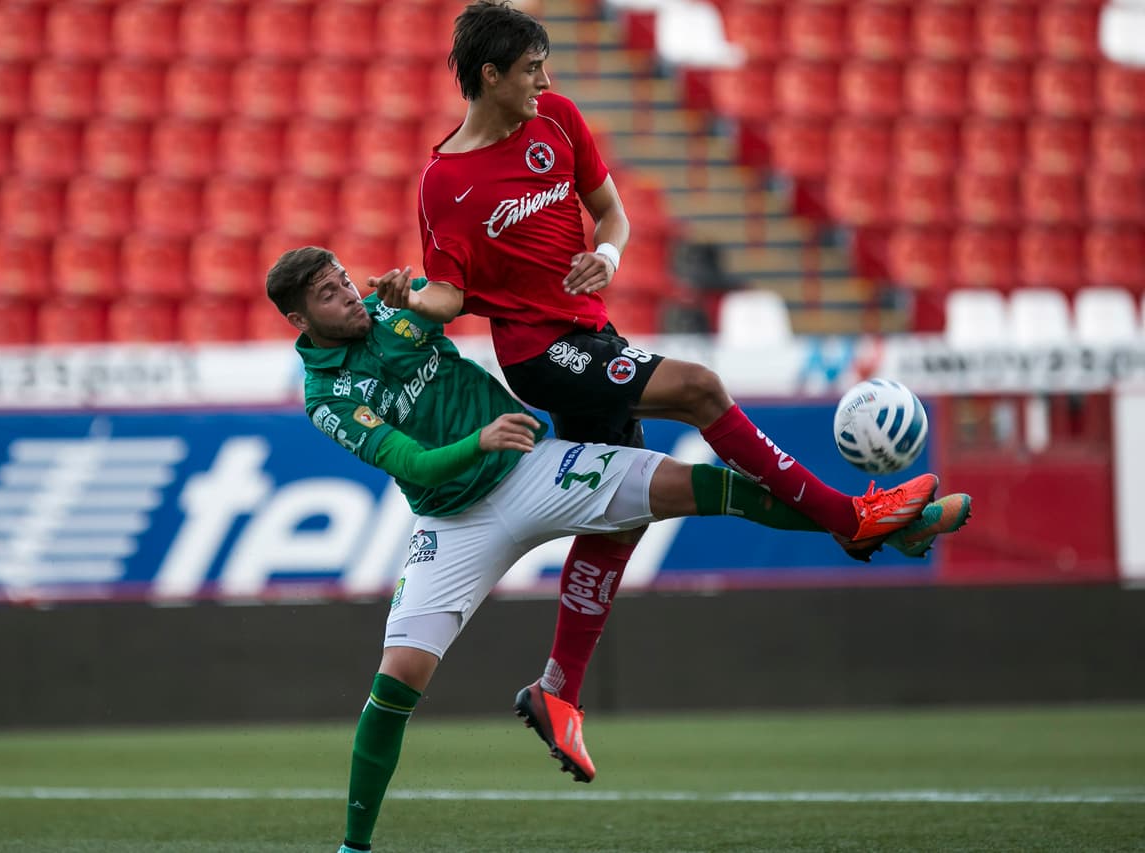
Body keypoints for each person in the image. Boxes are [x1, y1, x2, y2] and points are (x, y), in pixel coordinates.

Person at [387, 0, 947, 785]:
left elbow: (610, 215)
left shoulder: (559, 121)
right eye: (530, 69)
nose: (545, 79)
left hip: (594, 333)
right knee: (698, 387)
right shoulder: (446, 181)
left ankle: (559, 692)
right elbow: (448, 297)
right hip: (543, 354)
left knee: (626, 508)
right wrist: (405, 296)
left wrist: (608, 260)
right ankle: (847, 517)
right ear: (490, 76)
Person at [265, 247, 969, 853]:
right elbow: (412, 464)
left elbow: (452, 299)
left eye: (346, 280)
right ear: (300, 319)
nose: (349, 295)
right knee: (397, 682)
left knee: (698, 486)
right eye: (329, 294)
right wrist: (474, 441)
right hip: (453, 521)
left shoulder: (392, 311)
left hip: (535, 467)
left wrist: (419, 296)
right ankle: (354, 844)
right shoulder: (325, 395)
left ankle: (872, 525)